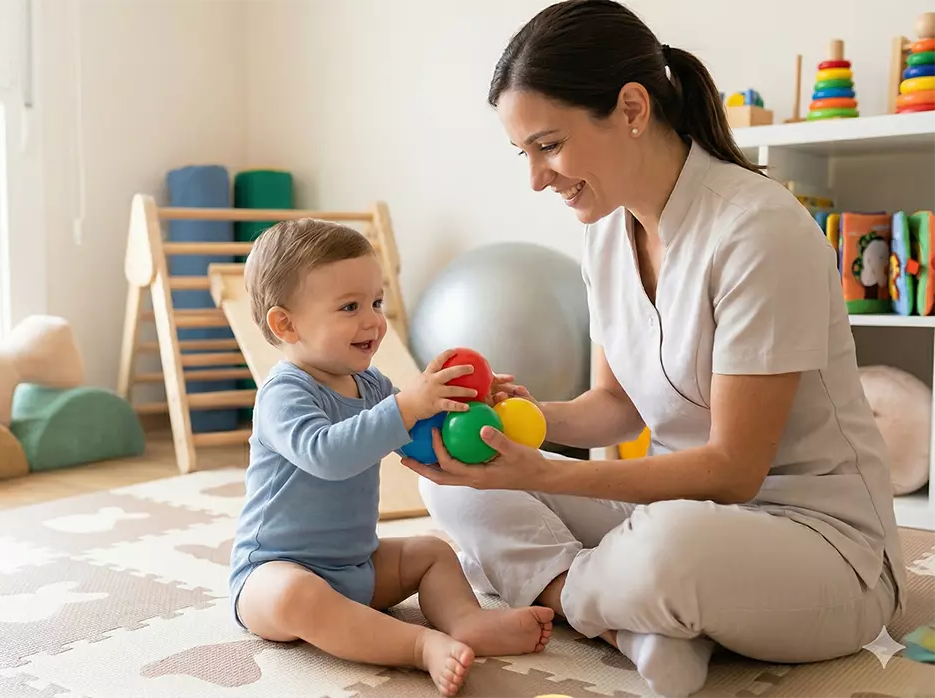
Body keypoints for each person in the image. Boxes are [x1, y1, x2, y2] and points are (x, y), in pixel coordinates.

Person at [401, 1, 908, 696]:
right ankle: (632, 625)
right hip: (668, 514)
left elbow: (733, 472)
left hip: (817, 545)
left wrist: (547, 477)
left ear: (632, 108)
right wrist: (510, 423)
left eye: (549, 146)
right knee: (453, 481)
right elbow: (615, 407)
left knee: (666, 554)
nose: (536, 179)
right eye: (525, 153)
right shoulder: (607, 232)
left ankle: (592, 594)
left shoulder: (758, 231)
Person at [228, 218, 555, 697]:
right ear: (286, 324)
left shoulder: (372, 384)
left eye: (376, 302)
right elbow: (327, 454)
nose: (373, 320)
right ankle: (419, 645)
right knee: (298, 595)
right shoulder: (283, 392)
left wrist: (473, 411)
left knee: (431, 550)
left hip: (357, 568)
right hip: (273, 574)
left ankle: (465, 621)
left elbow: (418, 438)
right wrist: (406, 406)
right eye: (350, 307)